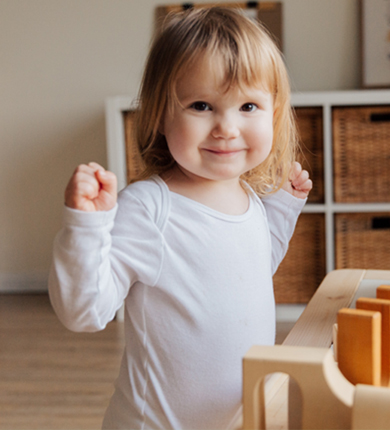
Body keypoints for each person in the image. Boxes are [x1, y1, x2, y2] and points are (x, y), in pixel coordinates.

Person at [48, 7, 312, 429]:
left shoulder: (249, 198)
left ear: (274, 115)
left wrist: (281, 208)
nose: (226, 127)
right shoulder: (149, 209)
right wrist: (86, 228)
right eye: (202, 105)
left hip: (236, 419)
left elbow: (254, 271)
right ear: (161, 114)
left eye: (248, 105)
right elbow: (85, 311)